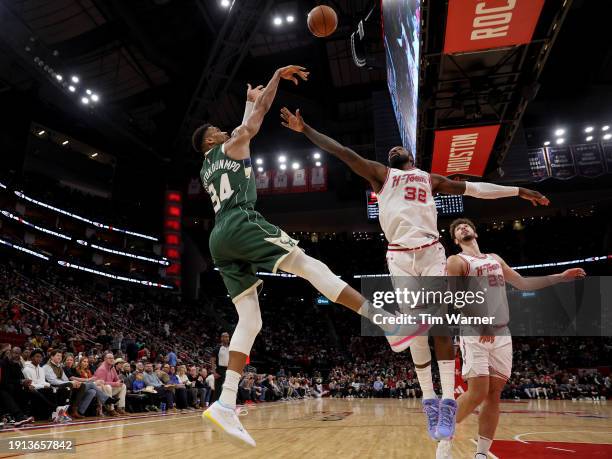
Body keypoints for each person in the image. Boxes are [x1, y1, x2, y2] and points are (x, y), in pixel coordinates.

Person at [280, 106, 550, 442]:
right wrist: (305, 129)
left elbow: (475, 189)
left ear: (410, 156)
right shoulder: (381, 175)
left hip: (431, 251)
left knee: (439, 323)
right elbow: (343, 152)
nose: (394, 150)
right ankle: (429, 400)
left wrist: (518, 191)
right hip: (399, 257)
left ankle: (448, 401)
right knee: (416, 331)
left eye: (398, 149)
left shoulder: (431, 179)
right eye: (390, 151)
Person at [195, 66, 401, 446]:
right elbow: (251, 126)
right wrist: (272, 78)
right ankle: (384, 321)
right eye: (215, 131)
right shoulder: (229, 144)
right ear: (209, 141)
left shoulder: (208, 165)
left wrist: (247, 102)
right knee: (310, 265)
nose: (222, 131)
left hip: (219, 237)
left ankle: (224, 402)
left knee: (250, 321)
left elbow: (241, 134)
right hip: (242, 222)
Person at [437, 218, 586, 459]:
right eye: (457, 229)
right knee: (477, 392)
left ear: (475, 232)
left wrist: (561, 277)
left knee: (494, 393)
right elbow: (456, 298)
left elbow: (523, 282)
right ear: (455, 239)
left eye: (466, 226)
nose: (463, 228)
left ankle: (482, 454)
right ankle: (444, 440)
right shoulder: (457, 261)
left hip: (502, 333)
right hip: (475, 331)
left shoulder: (495, 259)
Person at [211, 333, 230, 403]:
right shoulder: (217, 348)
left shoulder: (231, 348)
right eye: (225, 337)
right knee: (218, 389)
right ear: (221, 338)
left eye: (228, 337)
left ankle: (226, 403)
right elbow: (212, 361)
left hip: (229, 369)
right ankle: (214, 404)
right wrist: (214, 372)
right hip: (220, 369)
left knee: (228, 388)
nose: (227, 338)